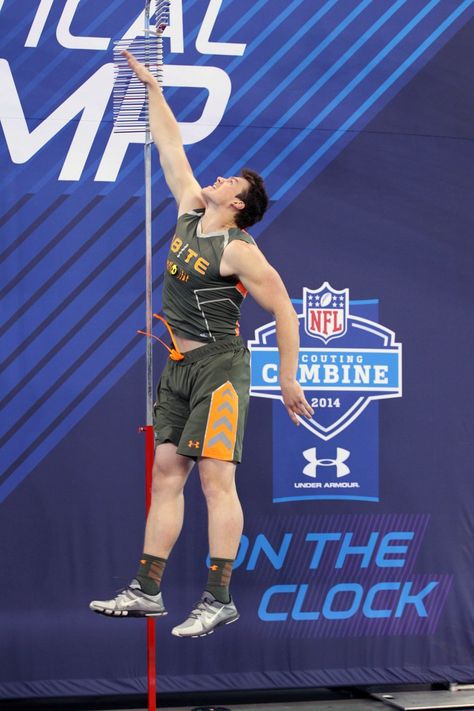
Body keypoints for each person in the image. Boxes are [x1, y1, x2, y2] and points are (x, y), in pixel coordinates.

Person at [89, 51, 313, 638]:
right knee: (167, 473)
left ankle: (219, 597)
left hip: (220, 369)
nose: (217, 179)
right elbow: (168, 145)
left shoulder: (240, 251)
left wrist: (288, 377)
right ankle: (147, 590)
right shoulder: (191, 211)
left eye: (229, 182)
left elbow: (286, 309)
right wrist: (150, 86)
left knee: (217, 482)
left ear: (237, 204)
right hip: (179, 365)